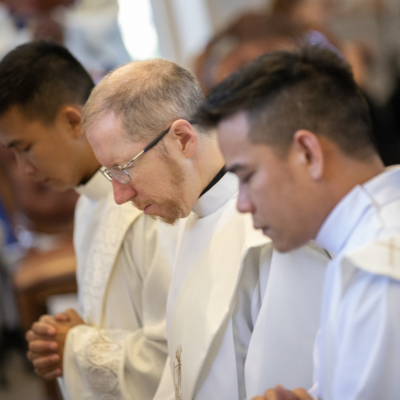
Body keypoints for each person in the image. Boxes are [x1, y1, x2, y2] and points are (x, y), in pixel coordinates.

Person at [82, 57, 329, 400]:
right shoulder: (191, 215)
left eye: (124, 169)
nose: (120, 196)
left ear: (183, 139)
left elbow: (286, 385)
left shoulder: (275, 236)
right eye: (110, 174)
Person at [196, 45, 400, 400]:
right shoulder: (362, 244)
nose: (242, 204)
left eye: (247, 176)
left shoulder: (378, 274)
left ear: (308, 153)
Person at [0, 40, 176, 400]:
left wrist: (77, 345)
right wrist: (70, 332)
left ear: (72, 121)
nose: (24, 170)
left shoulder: (148, 204)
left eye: (25, 149)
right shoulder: (88, 204)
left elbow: (178, 355)